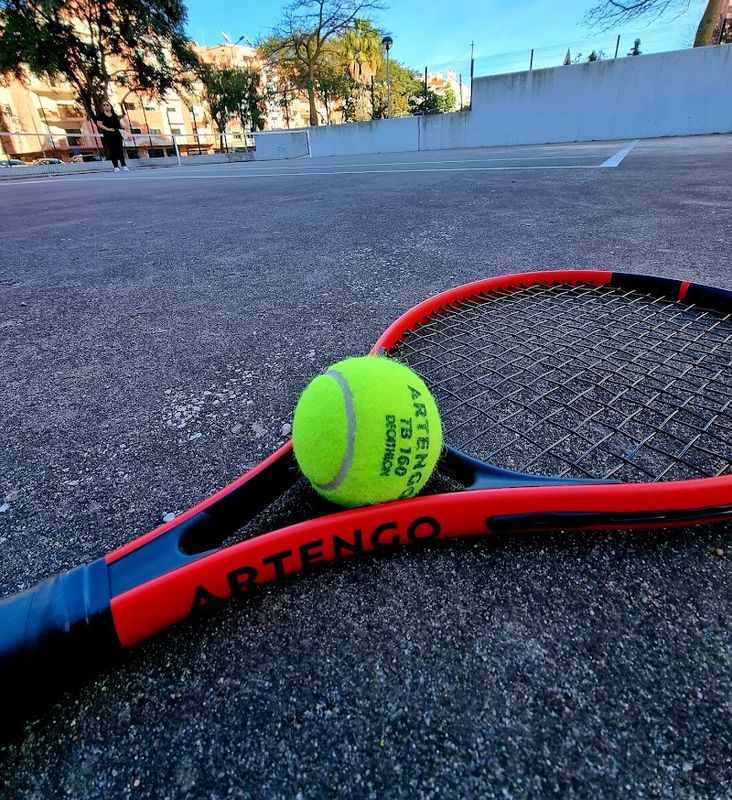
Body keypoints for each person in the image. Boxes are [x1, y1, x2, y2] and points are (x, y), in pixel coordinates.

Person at [94, 100, 130, 172]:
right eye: (104, 105)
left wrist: (125, 128)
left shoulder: (114, 115)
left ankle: (124, 165)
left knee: (120, 150)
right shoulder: (101, 116)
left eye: (107, 105)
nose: (106, 106)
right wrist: (108, 129)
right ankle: (116, 166)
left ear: (110, 106)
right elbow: (99, 124)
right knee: (112, 151)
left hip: (117, 135)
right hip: (108, 136)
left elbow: (119, 125)